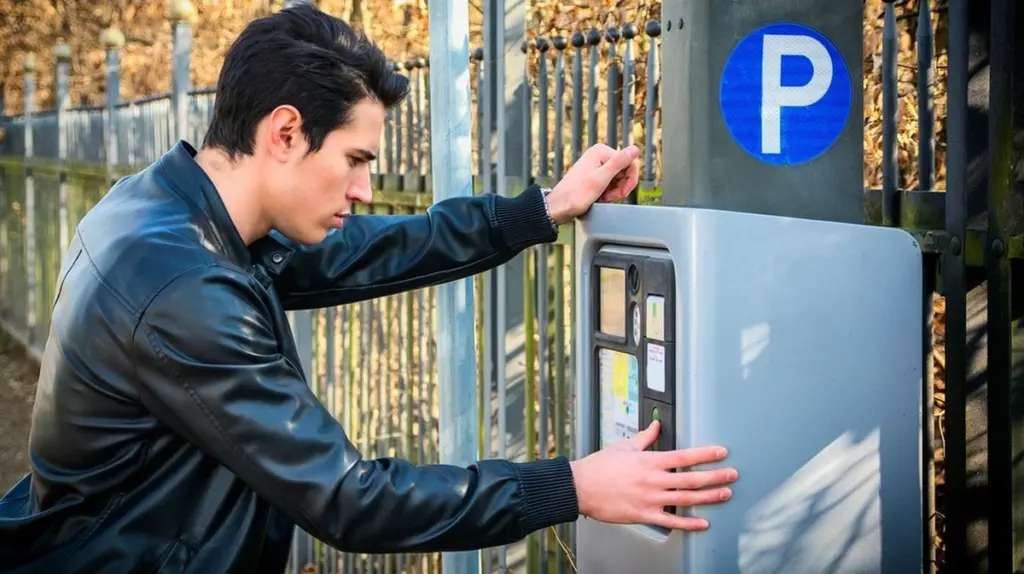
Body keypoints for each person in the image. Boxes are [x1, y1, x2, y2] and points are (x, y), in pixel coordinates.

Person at [0, 5, 738, 573]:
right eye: (355, 159)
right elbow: (349, 498)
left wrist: (535, 211)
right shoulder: (185, 287)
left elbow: (362, 249)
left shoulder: (163, 208)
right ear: (285, 133)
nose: (364, 188)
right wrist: (569, 488)